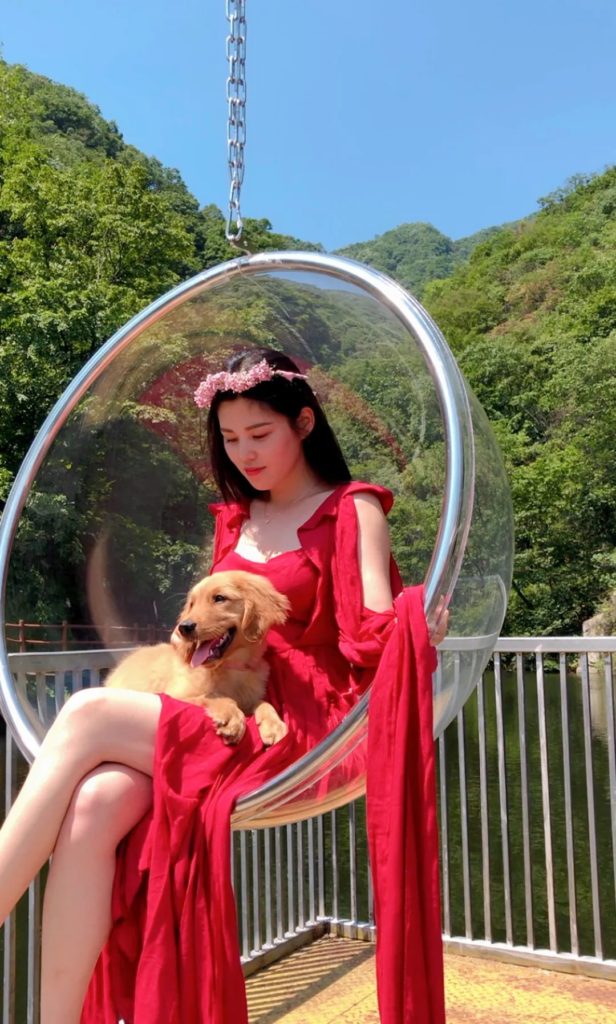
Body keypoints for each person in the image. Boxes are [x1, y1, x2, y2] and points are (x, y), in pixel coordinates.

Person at [0, 347, 447, 1024]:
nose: (245, 453)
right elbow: (210, 636)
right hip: (221, 698)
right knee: (93, 804)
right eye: (231, 439)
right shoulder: (235, 518)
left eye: (260, 434)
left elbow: (370, 632)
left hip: (301, 722)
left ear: (304, 423)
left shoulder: (352, 508)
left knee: (89, 711)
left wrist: (419, 622)